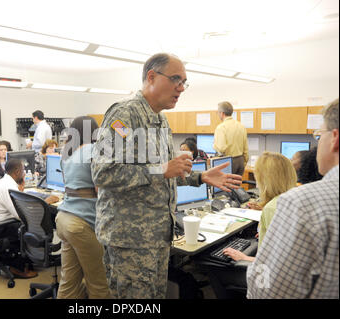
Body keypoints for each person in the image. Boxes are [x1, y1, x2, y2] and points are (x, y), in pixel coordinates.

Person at [91, 53, 243, 299]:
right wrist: (160, 170)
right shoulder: (124, 115)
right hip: (130, 240)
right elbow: (101, 173)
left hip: (157, 237)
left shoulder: (160, 119)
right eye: (176, 80)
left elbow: (168, 171)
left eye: (184, 82)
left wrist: (199, 177)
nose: (181, 88)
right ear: (151, 77)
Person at [247, 98, 339, 299]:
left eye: (318, 135)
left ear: (335, 138)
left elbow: (270, 289)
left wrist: (251, 268)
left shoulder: (302, 203)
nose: (316, 146)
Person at [206, 152, 297, 299]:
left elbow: (276, 263)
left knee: (213, 268)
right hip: (292, 280)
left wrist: (244, 257)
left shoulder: (272, 209)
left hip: (268, 280)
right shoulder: (290, 199)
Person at [55, 116, 111, 299]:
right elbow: (100, 191)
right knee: (99, 283)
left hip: (64, 221)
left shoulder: (67, 153)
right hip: (83, 225)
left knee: (69, 281)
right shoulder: (95, 151)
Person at [0, 158, 59, 278]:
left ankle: (42, 255)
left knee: (43, 216)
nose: (24, 173)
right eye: (23, 171)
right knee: (31, 223)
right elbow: (22, 216)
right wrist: (46, 202)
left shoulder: (4, 182)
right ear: (17, 172)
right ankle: (18, 267)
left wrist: (20, 191)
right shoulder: (8, 187)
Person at [213, 101, 249, 176]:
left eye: (218, 112)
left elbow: (221, 148)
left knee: (225, 186)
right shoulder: (241, 126)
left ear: (222, 113)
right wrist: (243, 163)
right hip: (240, 161)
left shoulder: (221, 127)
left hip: (228, 161)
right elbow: (245, 149)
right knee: (236, 186)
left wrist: (214, 146)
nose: (218, 114)